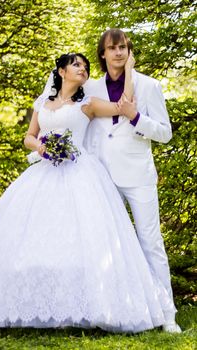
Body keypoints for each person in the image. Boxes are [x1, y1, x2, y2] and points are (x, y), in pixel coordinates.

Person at [0, 53, 175, 333]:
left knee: (79, 239)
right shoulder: (42, 104)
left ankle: (87, 305)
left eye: (85, 66)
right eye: (76, 65)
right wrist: (41, 147)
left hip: (80, 173)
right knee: (37, 238)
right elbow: (29, 136)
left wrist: (128, 71)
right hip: (43, 173)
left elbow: (122, 107)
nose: (82, 69)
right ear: (61, 71)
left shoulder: (88, 104)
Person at [84, 28, 181, 333]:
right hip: (101, 177)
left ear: (129, 51)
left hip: (138, 177)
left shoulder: (149, 86)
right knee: (105, 246)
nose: (118, 52)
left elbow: (165, 133)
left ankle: (167, 315)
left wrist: (137, 118)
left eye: (123, 47)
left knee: (151, 243)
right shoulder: (89, 87)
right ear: (103, 54)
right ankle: (109, 311)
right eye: (112, 48)